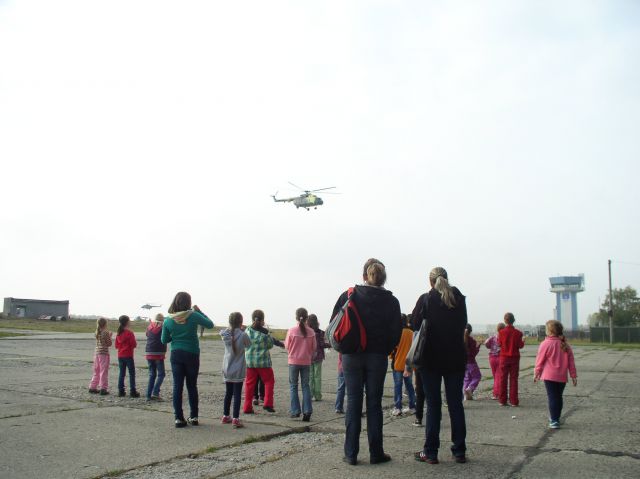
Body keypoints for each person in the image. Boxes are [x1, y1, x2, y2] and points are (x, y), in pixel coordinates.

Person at [332, 258, 402, 466]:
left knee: (353, 402)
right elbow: (395, 333)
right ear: (384, 279)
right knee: (374, 404)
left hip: (351, 355)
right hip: (377, 357)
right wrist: (384, 349)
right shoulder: (392, 301)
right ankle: (376, 453)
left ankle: (351, 453)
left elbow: (334, 323)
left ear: (364, 276)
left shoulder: (349, 295)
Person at [411, 267, 468, 465]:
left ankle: (431, 452)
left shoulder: (426, 299)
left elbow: (414, 323)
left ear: (430, 281)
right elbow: (463, 323)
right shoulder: (459, 299)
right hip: (455, 359)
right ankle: (459, 451)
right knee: (455, 405)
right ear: (447, 279)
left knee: (433, 406)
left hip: (430, 359)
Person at [161, 292, 214, 428]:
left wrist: (175, 336)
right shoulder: (193, 315)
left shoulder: (168, 320)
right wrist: (200, 311)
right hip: (192, 353)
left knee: (177, 386)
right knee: (192, 385)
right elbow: (210, 324)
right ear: (188, 302)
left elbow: (164, 340)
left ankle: (179, 418)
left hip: (176, 353)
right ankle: (194, 416)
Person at [534, 320, 577, 429]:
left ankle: (554, 420)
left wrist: (537, 373)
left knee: (552, 397)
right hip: (562, 376)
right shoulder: (565, 345)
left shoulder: (545, 344)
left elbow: (540, 360)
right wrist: (573, 376)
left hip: (549, 377)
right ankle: (556, 417)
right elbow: (571, 362)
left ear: (550, 331)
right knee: (558, 397)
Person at [284, 308, 316, 421]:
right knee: (305, 386)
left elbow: (287, 346)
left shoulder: (291, 331)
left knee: (293, 386)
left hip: (293, 361)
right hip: (306, 362)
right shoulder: (311, 332)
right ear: (307, 318)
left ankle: (295, 411)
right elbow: (314, 348)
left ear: (296, 317)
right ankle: (307, 411)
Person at [221, 312, 251, 429]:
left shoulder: (225, 334)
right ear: (241, 322)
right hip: (238, 368)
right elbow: (249, 345)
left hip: (227, 367)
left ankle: (225, 415)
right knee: (237, 393)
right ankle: (235, 418)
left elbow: (228, 333)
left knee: (228, 393)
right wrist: (242, 330)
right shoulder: (243, 335)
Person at [244, 310, 277, 414]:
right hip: (263, 362)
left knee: (249, 384)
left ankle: (247, 407)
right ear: (262, 319)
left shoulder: (247, 330)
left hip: (250, 362)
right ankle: (268, 403)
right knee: (269, 381)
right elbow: (270, 345)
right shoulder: (265, 332)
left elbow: (244, 343)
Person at [391, 314, 416, 416]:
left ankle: (398, 408)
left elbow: (392, 349)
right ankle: (412, 406)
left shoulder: (396, 333)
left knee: (398, 386)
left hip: (397, 364)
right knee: (409, 386)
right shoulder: (411, 333)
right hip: (408, 365)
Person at [498, 312, 525, 407]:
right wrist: (523, 341)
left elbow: (499, 344)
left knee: (503, 379)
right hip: (514, 358)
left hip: (504, 358)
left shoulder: (501, 332)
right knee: (513, 379)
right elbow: (520, 346)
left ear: (505, 321)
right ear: (514, 320)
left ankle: (502, 400)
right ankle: (513, 401)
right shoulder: (518, 333)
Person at [307, 313, 330, 401]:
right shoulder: (320, 333)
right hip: (318, 357)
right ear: (316, 321)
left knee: (310, 376)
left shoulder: (307, 332)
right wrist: (330, 345)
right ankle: (317, 395)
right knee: (317, 377)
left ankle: (310, 395)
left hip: (308, 357)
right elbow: (322, 344)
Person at [115, 315, 140, 398]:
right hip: (128, 355)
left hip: (120, 355)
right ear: (127, 322)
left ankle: (121, 391)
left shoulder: (119, 333)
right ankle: (133, 391)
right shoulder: (129, 333)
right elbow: (134, 344)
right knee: (132, 374)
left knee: (122, 373)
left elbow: (116, 345)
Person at [145, 313, 167, 400]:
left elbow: (147, 334)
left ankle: (148, 395)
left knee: (152, 374)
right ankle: (155, 392)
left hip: (149, 352)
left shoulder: (149, 326)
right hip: (159, 353)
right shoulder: (163, 328)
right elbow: (166, 338)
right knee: (161, 374)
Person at [89, 317, 112, 395]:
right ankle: (103, 388)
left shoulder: (97, 332)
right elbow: (109, 343)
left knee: (97, 370)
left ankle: (92, 387)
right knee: (103, 371)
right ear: (105, 324)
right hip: (104, 353)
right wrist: (110, 336)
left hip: (97, 352)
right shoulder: (105, 332)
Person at [484, 323, 505, 400]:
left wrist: (490, 347)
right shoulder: (503, 337)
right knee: (498, 377)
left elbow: (486, 343)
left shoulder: (493, 337)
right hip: (500, 358)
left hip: (492, 358)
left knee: (495, 376)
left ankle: (497, 392)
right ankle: (496, 394)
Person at [463, 324, 481, 401]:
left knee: (467, 379)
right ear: (471, 331)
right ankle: (470, 389)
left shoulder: (460, 339)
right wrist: (478, 347)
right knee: (477, 376)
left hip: (463, 363)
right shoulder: (472, 341)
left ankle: (466, 396)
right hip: (471, 363)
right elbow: (473, 354)